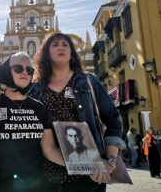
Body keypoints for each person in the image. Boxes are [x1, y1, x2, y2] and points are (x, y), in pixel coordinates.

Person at [30, 32, 126, 191]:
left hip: (89, 177)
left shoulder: (89, 81)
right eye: (54, 44)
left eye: (65, 44)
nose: (60, 47)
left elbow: (113, 120)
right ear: (46, 53)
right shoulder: (35, 89)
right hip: (47, 176)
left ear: (72, 52)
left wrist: (110, 160)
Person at [0, 52, 57, 192]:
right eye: (18, 68)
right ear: (7, 72)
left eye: (29, 70)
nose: (25, 72)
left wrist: (86, 167)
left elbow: (49, 149)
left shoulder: (40, 108)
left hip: (35, 185)